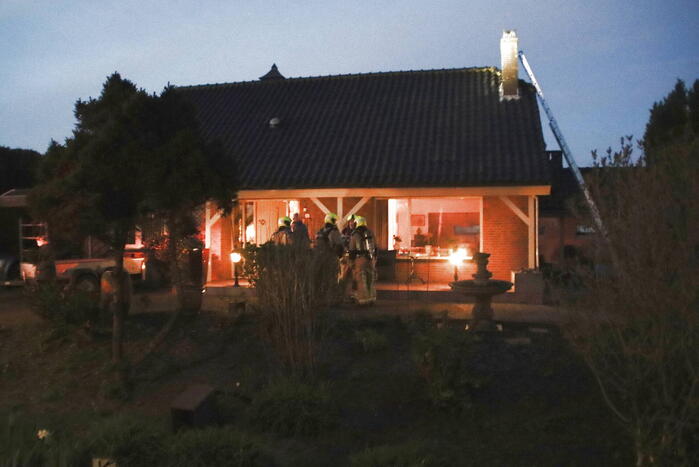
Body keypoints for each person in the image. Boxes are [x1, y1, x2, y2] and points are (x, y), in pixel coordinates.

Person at [348, 215, 377, 305]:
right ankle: (372, 298)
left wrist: (351, 261)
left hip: (360, 259)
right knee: (370, 279)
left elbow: (352, 249)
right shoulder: (370, 233)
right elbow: (375, 247)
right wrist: (374, 259)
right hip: (370, 259)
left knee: (361, 279)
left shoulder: (355, 234)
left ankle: (363, 300)